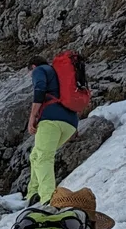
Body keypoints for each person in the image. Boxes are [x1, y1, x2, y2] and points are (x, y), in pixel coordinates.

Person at [26, 51, 89, 206]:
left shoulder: (40, 70)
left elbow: (40, 89)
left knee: (43, 157)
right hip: (70, 123)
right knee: (36, 155)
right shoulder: (57, 74)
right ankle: (33, 194)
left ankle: (48, 197)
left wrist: (32, 117)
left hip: (51, 120)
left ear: (33, 66)